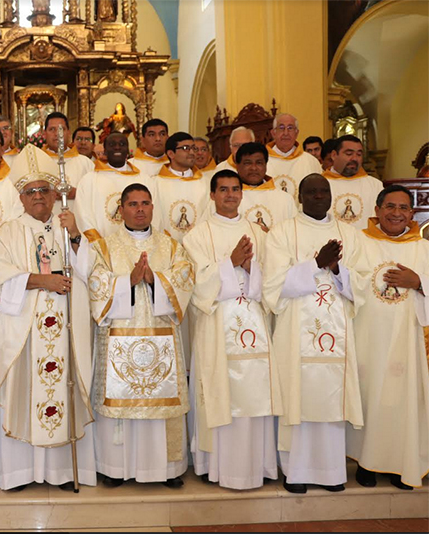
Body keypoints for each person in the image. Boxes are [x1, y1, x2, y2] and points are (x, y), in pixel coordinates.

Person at [0, 152, 96, 491]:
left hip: (65, 328)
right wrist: (40, 280)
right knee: (25, 392)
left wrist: (76, 235)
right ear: (21, 197)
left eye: (44, 190)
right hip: (26, 330)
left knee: (62, 392)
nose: (38, 196)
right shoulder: (8, 230)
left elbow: (91, 271)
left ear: (54, 194)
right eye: (31, 191)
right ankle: (20, 473)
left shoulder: (68, 226)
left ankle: (62, 472)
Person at [84, 183, 194, 487]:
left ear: (153, 209)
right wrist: (126, 283)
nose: (140, 209)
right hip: (121, 336)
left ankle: (166, 470)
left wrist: (156, 279)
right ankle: (116, 467)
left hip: (162, 340)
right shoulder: (103, 247)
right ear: (121, 210)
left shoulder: (170, 245)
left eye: (145, 203)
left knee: (161, 400)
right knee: (122, 399)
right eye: (133, 204)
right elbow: (95, 284)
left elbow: (185, 278)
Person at [263, 173, 365, 493]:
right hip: (295, 332)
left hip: (338, 336)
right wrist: (315, 263)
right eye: (312, 192)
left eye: (324, 191)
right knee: (298, 399)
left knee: (331, 400)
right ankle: (296, 472)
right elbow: (272, 287)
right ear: (300, 197)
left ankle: (331, 472)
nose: (319, 196)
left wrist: (336, 269)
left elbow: (362, 284)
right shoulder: (281, 233)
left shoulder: (349, 233)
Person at [183, 170, 282, 490]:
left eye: (235, 189)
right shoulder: (196, 235)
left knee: (254, 394)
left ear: (243, 194)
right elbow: (197, 286)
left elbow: (273, 279)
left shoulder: (260, 233)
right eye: (223, 189)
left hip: (254, 322)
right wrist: (231, 262)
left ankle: (256, 465)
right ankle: (215, 467)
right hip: (216, 325)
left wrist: (250, 265)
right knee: (218, 393)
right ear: (211, 195)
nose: (230, 195)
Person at [349, 185, 429, 490]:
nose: (397, 214)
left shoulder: (422, 248)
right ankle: (365, 462)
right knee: (370, 397)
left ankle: (401, 464)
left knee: (403, 400)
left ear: (412, 214)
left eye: (403, 208)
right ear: (378, 210)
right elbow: (348, 282)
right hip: (368, 336)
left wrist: (419, 281)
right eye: (390, 207)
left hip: (407, 340)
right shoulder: (359, 242)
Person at [75, 132, 149, 241]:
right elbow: (83, 216)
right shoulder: (89, 180)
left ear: (128, 150)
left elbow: (153, 216)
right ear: (104, 150)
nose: (117, 147)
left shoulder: (144, 180)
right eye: (112, 144)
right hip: (100, 248)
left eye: (122, 144)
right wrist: (100, 246)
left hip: (138, 246)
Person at [222, 142, 297, 232]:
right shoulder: (224, 199)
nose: (254, 168)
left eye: (259, 163)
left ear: (266, 165)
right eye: (247, 163)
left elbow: (294, 236)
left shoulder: (285, 199)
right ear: (237, 166)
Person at [153, 132, 209, 243]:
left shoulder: (206, 183)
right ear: (171, 154)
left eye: (193, 148)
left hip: (200, 246)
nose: (193, 153)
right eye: (186, 148)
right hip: (165, 247)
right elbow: (154, 219)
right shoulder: (155, 183)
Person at [322, 135, 383, 230]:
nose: (354, 158)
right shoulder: (320, 184)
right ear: (334, 155)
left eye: (359, 154)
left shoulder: (375, 185)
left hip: (364, 243)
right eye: (349, 154)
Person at [35, 112, 95, 205]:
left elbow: (96, 193)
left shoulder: (85, 163)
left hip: (77, 217)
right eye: (52, 129)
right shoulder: (36, 162)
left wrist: (75, 193)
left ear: (69, 133)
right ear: (44, 133)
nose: (57, 133)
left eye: (61, 129)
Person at [265, 114, 323, 200]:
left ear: (296, 133)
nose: (286, 133)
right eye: (281, 128)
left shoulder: (311, 162)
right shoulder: (262, 161)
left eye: (290, 128)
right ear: (273, 133)